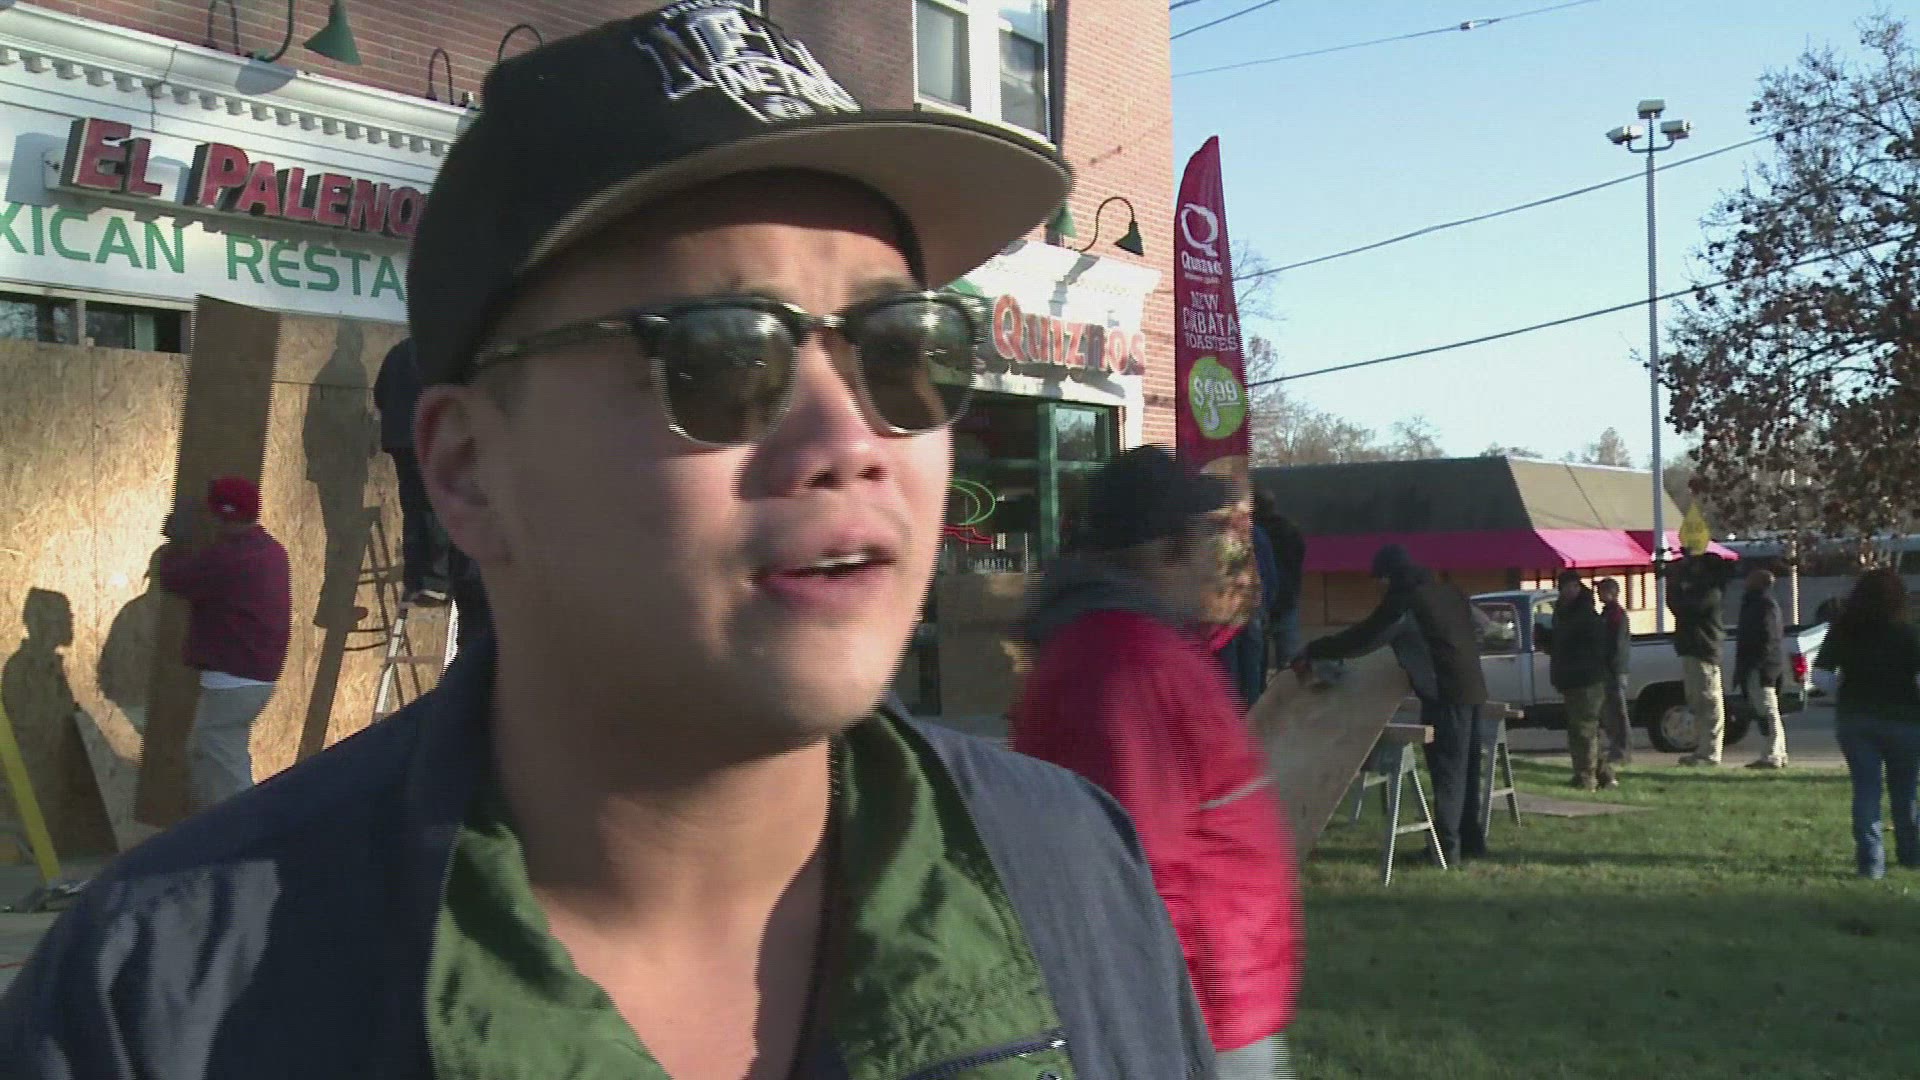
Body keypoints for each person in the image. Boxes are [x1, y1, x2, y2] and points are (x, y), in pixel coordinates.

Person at [0, 7, 1215, 1078]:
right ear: (468, 472)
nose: (850, 438)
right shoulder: (164, 1001)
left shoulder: (1071, 873)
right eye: (723, 354)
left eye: (905, 347)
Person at [1011, 444, 1303, 1078]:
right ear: (1169, 549)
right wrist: (1167, 1014)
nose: (1218, 558)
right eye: (1205, 538)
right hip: (1199, 1009)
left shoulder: (1121, 646)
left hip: (1210, 993)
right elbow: (1134, 863)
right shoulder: (1134, 666)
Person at [1300, 544, 1491, 864]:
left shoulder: (1405, 602)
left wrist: (1316, 649)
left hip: (1445, 694)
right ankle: (1472, 843)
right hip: (1473, 688)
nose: (1379, 587)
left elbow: (1366, 637)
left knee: (1448, 773)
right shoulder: (1449, 592)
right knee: (1468, 771)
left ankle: (1446, 851)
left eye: (1380, 581)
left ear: (1390, 577)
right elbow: (1482, 626)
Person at [151, 475, 292, 810]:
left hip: (235, 679)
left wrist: (176, 543)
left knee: (224, 767)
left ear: (222, 516)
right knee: (216, 755)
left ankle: (246, 834)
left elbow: (173, 578)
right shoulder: (270, 550)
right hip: (254, 675)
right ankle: (221, 828)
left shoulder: (230, 558)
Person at [1810, 568, 1920, 878]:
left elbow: (1820, 675)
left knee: (1866, 790)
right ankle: (1911, 854)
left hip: (1855, 718)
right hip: (1904, 720)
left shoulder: (1843, 630)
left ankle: (1871, 864)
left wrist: (1845, 688)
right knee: (1905, 791)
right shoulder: (1909, 633)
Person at [374, 337, 451, 606]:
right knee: (434, 509)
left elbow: (380, 395)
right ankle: (434, 581)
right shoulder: (442, 350)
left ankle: (415, 579)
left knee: (414, 509)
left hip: (400, 442)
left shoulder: (397, 352)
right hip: (428, 440)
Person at [1660, 547, 1742, 766]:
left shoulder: (1710, 591)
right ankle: (1703, 750)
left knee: (1708, 702)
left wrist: (1674, 582)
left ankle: (1710, 753)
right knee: (1698, 702)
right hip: (1695, 649)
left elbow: (1684, 608)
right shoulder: (1703, 589)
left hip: (1703, 650)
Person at [1544, 571, 1616, 791]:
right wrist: (1546, 639)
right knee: (1580, 729)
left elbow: (1592, 645)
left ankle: (1587, 777)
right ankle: (1603, 774)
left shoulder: (1586, 614)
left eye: (1574, 586)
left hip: (1588, 678)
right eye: (1567, 587)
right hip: (1570, 678)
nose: (1571, 590)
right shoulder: (1562, 612)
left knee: (1585, 729)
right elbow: (1560, 642)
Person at [1215, 508, 1277, 709]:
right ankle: (1252, 710)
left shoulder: (1215, 539)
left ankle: (1235, 712)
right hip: (1250, 609)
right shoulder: (1254, 536)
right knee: (1252, 666)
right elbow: (1268, 575)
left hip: (1227, 612)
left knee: (1230, 669)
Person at [1734, 567, 1790, 770]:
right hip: (1757, 665)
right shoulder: (1754, 603)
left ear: (1759, 583)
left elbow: (1769, 637)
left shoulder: (1764, 604)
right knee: (1763, 709)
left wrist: (1757, 662)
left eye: (1751, 578)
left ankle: (1773, 754)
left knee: (1767, 710)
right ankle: (1776, 752)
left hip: (1762, 666)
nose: (1746, 580)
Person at [1256, 490, 1307, 672]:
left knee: (1255, 664)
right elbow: (1298, 559)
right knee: (1290, 664)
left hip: (1259, 603)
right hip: (1287, 599)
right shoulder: (1290, 529)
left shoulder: (1251, 533)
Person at [1596, 577, 1634, 765]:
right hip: (1607, 669)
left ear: (1612, 593)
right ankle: (1615, 747)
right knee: (1609, 713)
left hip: (1615, 670)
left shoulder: (1616, 614)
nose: (1599, 595)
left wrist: (1610, 665)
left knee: (1618, 712)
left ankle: (1623, 750)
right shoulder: (1606, 613)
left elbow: (1616, 644)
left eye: (1602, 591)